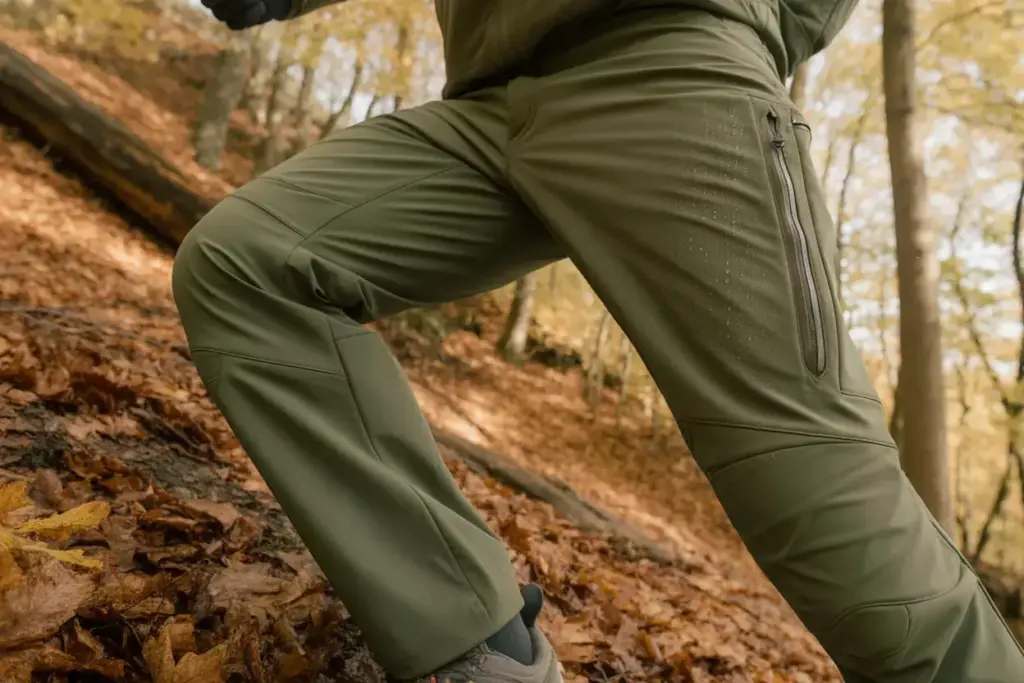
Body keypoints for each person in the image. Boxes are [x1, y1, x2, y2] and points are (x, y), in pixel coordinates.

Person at [172, 0, 1024, 680]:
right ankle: (476, 640)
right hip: (488, 102)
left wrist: (745, 25)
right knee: (248, 263)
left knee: (816, 488)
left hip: (673, 66)